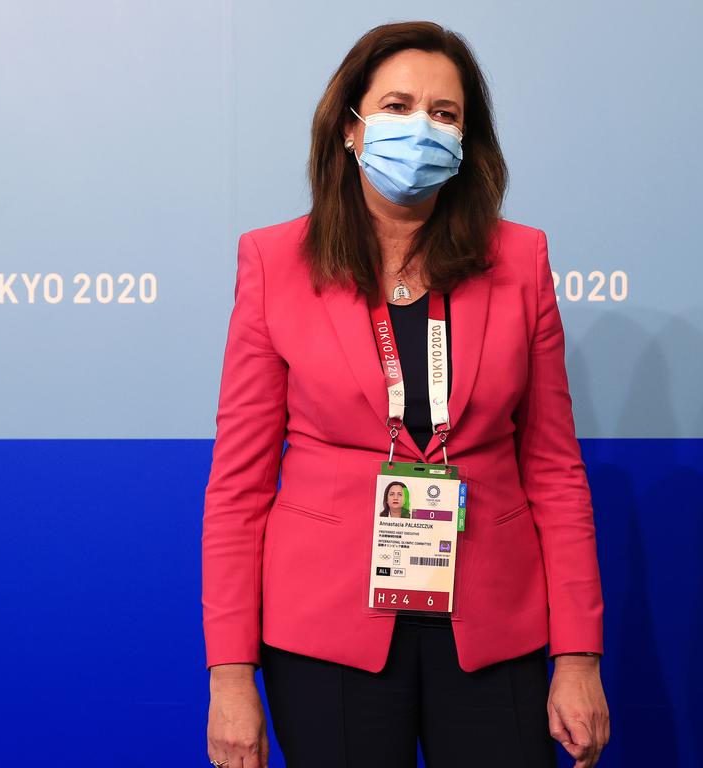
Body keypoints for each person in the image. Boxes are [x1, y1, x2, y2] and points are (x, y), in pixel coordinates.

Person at [203, 20, 609, 768]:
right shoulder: (273, 261)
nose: (420, 127)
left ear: (467, 141)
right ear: (351, 129)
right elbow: (239, 485)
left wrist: (578, 656)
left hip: (493, 624)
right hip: (326, 633)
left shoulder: (521, 259)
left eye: (444, 113)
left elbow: (553, 469)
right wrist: (230, 676)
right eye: (396, 106)